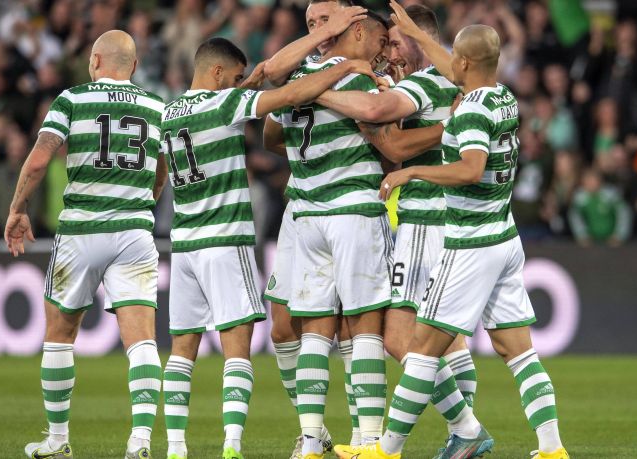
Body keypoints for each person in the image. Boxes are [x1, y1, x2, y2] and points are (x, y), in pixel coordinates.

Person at [336, 3, 570, 459]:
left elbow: (470, 169)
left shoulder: (471, 112)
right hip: (504, 236)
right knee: (518, 351)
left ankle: (387, 449)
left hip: (470, 241)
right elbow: (455, 67)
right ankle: (552, 448)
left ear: (464, 63)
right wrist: (420, 35)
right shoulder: (502, 95)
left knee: (420, 348)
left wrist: (412, 172)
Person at [160, 37, 378, 459]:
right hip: (225, 240)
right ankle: (231, 444)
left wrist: (245, 86)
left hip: (183, 244)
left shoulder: (170, 112)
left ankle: (175, 448)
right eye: (236, 77)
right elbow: (292, 94)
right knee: (236, 350)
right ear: (217, 73)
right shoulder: (225, 105)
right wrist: (346, 67)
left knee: (181, 352)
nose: (241, 84)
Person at [5, 30, 167, 459]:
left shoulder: (72, 100)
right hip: (134, 234)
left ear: (95, 61)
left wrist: (18, 208)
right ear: (133, 66)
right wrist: (142, 204)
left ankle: (58, 441)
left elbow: (39, 160)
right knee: (142, 341)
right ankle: (140, 441)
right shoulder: (156, 106)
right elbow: (161, 170)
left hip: (80, 231)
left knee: (60, 336)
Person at [264, 12, 393, 459]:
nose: (382, 50)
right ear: (357, 31)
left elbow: (271, 131)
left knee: (316, 332)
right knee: (365, 325)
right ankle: (370, 440)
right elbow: (384, 131)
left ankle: (311, 440)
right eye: (380, 39)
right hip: (352, 208)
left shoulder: (296, 76)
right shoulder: (362, 78)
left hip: (308, 215)